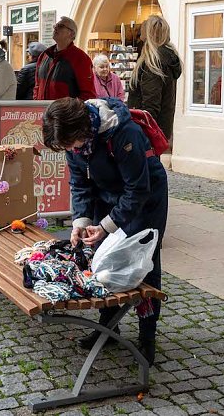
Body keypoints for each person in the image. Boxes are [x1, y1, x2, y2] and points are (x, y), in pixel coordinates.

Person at [42, 97, 168, 365]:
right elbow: (79, 184)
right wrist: (81, 223)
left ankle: (147, 336)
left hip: (145, 198)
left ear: (82, 129)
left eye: (68, 144)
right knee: (101, 257)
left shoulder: (124, 133)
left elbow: (138, 190)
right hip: (107, 194)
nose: (67, 149)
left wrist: (107, 225)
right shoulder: (73, 141)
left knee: (142, 262)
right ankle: (108, 327)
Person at [126, 15, 182, 141]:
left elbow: (151, 105)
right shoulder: (166, 58)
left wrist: (142, 134)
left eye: (145, 24)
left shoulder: (154, 62)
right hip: (157, 130)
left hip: (146, 133)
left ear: (150, 32)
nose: (142, 25)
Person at [33, 17, 96, 101]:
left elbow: (88, 94)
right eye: (55, 25)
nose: (55, 28)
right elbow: (37, 86)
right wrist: (36, 106)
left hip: (65, 113)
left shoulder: (80, 58)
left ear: (72, 34)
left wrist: (69, 111)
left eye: (60, 26)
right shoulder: (44, 55)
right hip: (42, 112)